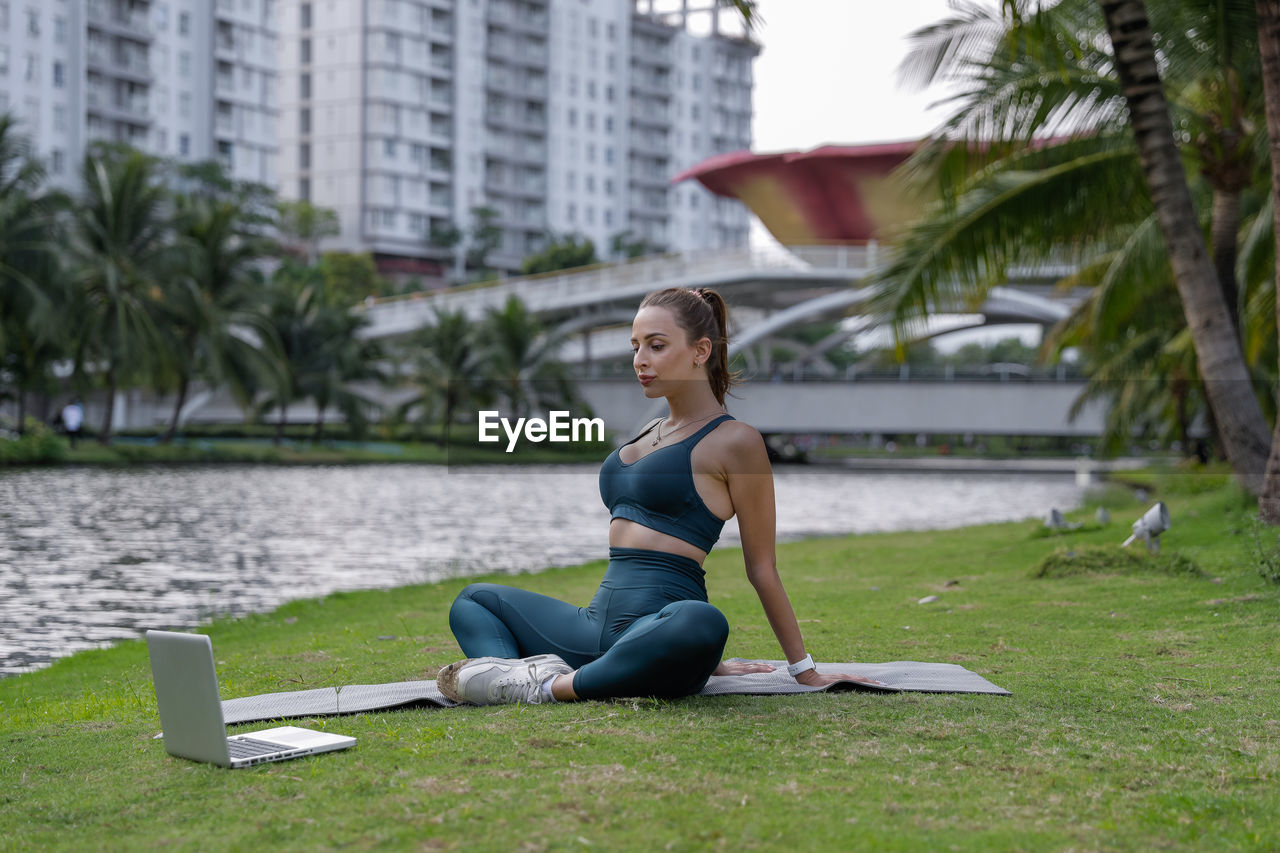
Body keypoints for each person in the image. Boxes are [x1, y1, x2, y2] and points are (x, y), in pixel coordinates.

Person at [437, 286, 882, 705]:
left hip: (662, 624)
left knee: (702, 621)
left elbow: (761, 567)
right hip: (593, 627)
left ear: (700, 351)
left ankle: (548, 687)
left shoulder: (736, 441)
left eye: (656, 345)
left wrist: (803, 670)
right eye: (635, 347)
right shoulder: (649, 430)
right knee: (475, 599)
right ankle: (525, 677)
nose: (639, 360)